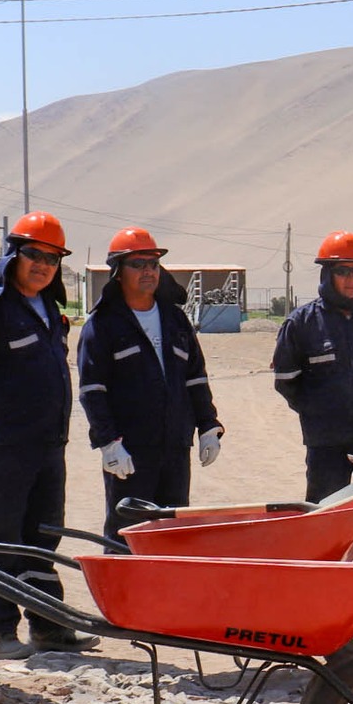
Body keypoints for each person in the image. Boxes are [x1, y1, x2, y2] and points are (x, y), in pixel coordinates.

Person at [0, 212, 94, 659]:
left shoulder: (48, 308)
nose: (43, 265)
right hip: (5, 447)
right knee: (2, 536)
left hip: (47, 445)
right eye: (34, 255)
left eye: (53, 258)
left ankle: (50, 627)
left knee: (42, 539)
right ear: (13, 255)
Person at [77, 227, 223, 541]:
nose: (148, 271)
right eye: (138, 264)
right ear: (118, 272)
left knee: (172, 534)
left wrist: (208, 426)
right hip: (129, 454)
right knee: (126, 536)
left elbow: (196, 377)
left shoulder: (176, 320)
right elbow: (92, 391)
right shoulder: (103, 325)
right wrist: (108, 443)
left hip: (175, 449)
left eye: (153, 264)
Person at [270, 231, 353, 553]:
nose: (352, 279)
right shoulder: (302, 324)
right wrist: (319, 411)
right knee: (324, 514)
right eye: (343, 271)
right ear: (327, 274)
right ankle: (322, 583)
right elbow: (287, 381)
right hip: (327, 443)